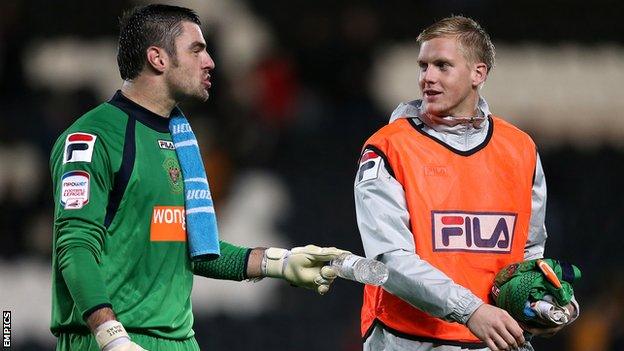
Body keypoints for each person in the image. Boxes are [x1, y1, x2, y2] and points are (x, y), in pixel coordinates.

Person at [50, 4, 348, 351]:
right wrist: (111, 337)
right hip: (111, 340)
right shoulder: (93, 138)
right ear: (158, 58)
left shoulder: (182, 139)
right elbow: (75, 246)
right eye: (197, 49)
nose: (210, 62)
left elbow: (198, 249)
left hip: (180, 342)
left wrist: (280, 262)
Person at [354, 16, 576, 351]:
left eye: (442, 66)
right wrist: (470, 310)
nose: (427, 77)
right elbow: (390, 260)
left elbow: (528, 252)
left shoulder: (520, 149)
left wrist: (534, 299)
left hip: (497, 341)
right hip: (410, 339)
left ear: (478, 73)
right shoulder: (387, 148)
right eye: (423, 66)